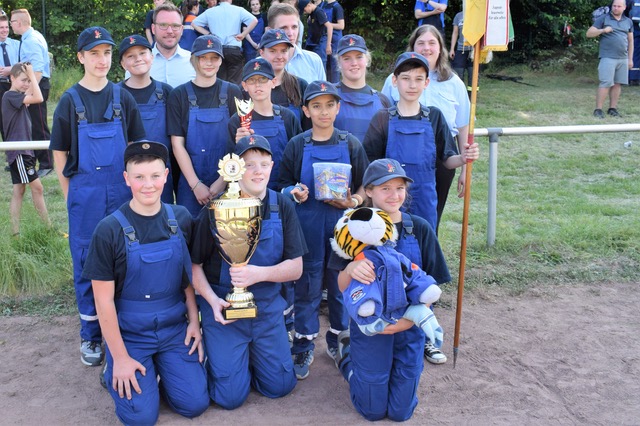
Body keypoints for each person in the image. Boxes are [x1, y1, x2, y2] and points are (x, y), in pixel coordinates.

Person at [83, 141, 209, 425]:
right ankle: (114, 368)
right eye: (139, 177)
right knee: (141, 418)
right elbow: (103, 301)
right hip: (130, 333)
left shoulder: (181, 218)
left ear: (166, 175)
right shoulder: (109, 230)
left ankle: (163, 372)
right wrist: (121, 357)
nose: (148, 185)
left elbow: (186, 278)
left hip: (174, 328)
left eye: (154, 176)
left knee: (195, 404)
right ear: (126, 179)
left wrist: (193, 322)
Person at [50, 26, 146, 367]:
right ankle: (91, 336)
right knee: (88, 264)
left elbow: (136, 150)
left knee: (126, 259)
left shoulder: (124, 98)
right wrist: (69, 195)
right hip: (85, 197)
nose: (101, 59)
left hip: (121, 194)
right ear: (81, 57)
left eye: (106, 53)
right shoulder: (69, 100)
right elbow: (59, 153)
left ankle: (125, 331)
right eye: (94, 53)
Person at [329, 158, 451, 420]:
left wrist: (407, 322)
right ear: (369, 191)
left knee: (401, 412)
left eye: (399, 188)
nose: (394, 195)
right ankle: (347, 358)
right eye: (385, 188)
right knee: (371, 411)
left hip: (410, 326)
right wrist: (349, 270)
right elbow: (340, 288)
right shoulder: (352, 227)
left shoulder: (419, 228)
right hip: (370, 328)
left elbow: (431, 284)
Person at [191, 135, 306, 409]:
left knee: (280, 386)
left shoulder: (282, 205)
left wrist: (258, 274)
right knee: (229, 398)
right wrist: (212, 302)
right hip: (225, 310)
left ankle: (253, 357)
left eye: (264, 164)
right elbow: (194, 267)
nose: (258, 171)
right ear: (236, 169)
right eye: (249, 164)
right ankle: (222, 357)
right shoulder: (216, 209)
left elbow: (296, 268)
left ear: (272, 167)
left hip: (266, 309)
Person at [278, 80, 369, 380]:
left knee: (341, 285)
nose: (324, 111)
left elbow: (365, 187)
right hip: (307, 227)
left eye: (330, 105)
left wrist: (352, 200)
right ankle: (303, 342)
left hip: (342, 229)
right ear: (306, 110)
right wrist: (295, 191)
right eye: (316, 106)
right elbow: (281, 184)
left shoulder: (350, 143)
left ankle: (340, 338)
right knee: (307, 286)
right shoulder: (297, 144)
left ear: (338, 107)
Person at [368, 52, 477, 231]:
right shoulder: (382, 119)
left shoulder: (434, 117)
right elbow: (369, 164)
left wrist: (463, 158)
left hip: (425, 202)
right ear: (394, 81)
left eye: (419, 79)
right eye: (405, 78)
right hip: (389, 201)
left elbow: (447, 160)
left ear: (427, 83)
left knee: (423, 251)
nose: (412, 85)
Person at [167, 34, 243, 217]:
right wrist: (196, 184)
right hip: (191, 182)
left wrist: (223, 181)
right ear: (194, 60)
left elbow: (239, 142)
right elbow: (177, 145)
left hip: (228, 181)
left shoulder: (233, 92)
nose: (209, 63)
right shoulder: (179, 95)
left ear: (221, 60)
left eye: (214, 58)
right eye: (203, 58)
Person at [227, 57, 302, 190]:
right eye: (252, 80)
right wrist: (238, 145)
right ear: (244, 86)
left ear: (273, 82)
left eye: (263, 79)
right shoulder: (237, 121)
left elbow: (298, 157)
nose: (258, 85)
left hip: (283, 191)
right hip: (248, 193)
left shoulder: (287, 117)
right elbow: (229, 164)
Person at [118, 34, 174, 203]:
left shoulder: (166, 92)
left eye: (142, 53)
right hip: (126, 171)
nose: (138, 59)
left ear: (152, 57)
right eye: (130, 56)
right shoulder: (113, 94)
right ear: (122, 64)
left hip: (160, 170)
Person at [2, 62, 50, 236]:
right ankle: (47, 227)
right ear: (11, 78)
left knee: (19, 190)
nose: (27, 84)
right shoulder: (11, 96)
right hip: (20, 152)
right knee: (37, 188)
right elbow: (39, 98)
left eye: (29, 81)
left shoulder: (18, 96)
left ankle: (14, 232)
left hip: (24, 151)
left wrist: (29, 76)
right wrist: (31, 71)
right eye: (23, 80)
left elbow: (32, 95)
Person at [10, 9, 52, 177]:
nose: (11, 25)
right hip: (36, 86)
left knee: (38, 125)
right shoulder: (31, 37)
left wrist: (28, 94)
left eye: (12, 22)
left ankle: (47, 163)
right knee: (32, 125)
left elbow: (38, 70)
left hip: (38, 86)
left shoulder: (31, 41)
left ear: (19, 23)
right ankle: (33, 160)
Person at [333, 34, 391, 144]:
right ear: (339, 63)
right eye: (347, 58)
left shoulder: (383, 101)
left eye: (359, 57)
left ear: (367, 60)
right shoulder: (329, 96)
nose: (354, 63)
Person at [192, 0, 258, 85]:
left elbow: (194, 23)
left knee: (219, 81)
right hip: (234, 49)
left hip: (217, 50)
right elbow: (254, 20)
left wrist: (209, 34)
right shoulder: (238, 10)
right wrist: (243, 34)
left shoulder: (210, 11)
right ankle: (234, 97)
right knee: (235, 82)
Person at [587, 0, 633, 118]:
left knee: (617, 84)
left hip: (623, 58)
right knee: (606, 82)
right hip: (607, 57)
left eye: (618, 6)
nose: (616, 8)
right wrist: (603, 30)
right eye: (614, 6)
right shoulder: (603, 18)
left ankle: (612, 109)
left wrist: (630, 59)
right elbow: (589, 33)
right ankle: (598, 110)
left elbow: (631, 41)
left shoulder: (628, 21)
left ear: (624, 7)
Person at [257, 28, 309, 128]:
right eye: (273, 51)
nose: (279, 56)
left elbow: (308, 129)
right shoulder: (250, 89)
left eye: (284, 51)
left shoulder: (300, 86)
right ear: (262, 53)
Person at [268, 3, 326, 84]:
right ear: (270, 31)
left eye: (294, 27)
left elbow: (323, 95)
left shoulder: (314, 61)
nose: (291, 33)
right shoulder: (259, 65)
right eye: (284, 28)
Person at [149, 3, 196, 88]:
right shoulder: (140, 63)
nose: (170, 31)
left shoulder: (195, 62)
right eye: (163, 25)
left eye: (175, 26)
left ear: (182, 30)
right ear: (153, 29)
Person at [0, 12, 19, 140]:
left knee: (14, 120)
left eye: (6, 27)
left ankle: (14, 152)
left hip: (14, 86)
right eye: (1, 27)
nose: (5, 30)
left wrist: (10, 70)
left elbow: (23, 64)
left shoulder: (17, 45)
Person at [299, 0, 333, 72]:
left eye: (304, 10)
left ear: (308, 5)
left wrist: (328, 45)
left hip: (321, 42)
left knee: (321, 66)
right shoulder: (312, 13)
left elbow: (329, 26)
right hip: (313, 42)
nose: (304, 13)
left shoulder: (318, 12)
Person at [321, 0, 345, 83]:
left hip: (335, 40)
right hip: (325, 38)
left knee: (334, 67)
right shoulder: (323, 5)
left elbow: (341, 25)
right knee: (325, 65)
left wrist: (328, 25)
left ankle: (335, 89)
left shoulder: (337, 7)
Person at [450, 10, 473, 92]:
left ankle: (472, 96)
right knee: (458, 74)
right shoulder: (458, 16)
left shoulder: (477, 14)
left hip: (474, 50)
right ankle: (460, 93)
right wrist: (452, 49)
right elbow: (455, 32)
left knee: (473, 75)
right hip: (460, 49)